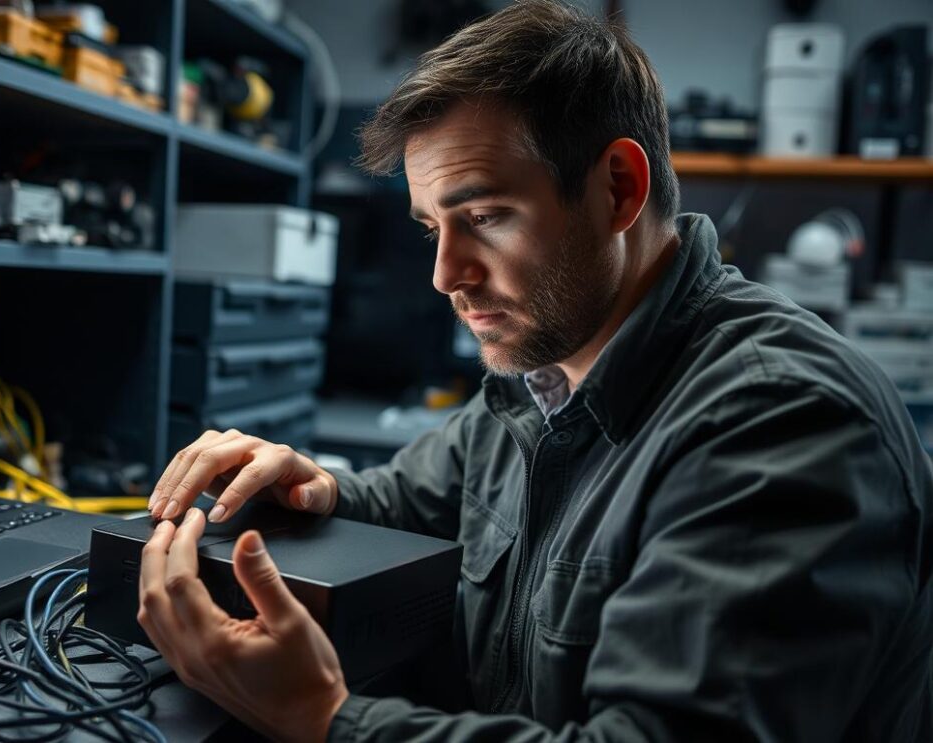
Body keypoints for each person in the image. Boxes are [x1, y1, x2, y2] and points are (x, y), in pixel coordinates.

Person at [136, 1, 933, 740]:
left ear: (617, 188)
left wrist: (326, 717)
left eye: (484, 217)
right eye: (431, 228)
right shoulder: (547, 374)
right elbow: (417, 499)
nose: (447, 274)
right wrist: (315, 485)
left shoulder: (780, 424)